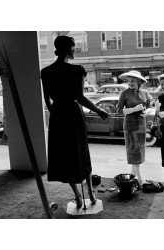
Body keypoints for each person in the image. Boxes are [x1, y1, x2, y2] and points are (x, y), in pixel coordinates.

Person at [40, 35, 110, 208]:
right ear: (68, 48)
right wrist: (99, 110)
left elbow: (47, 100)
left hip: (57, 115)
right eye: (73, 47)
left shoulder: (46, 71)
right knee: (81, 153)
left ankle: (78, 196)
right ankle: (91, 194)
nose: (75, 50)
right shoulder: (77, 70)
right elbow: (80, 97)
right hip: (72, 113)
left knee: (64, 155)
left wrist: (55, 113)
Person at [117, 70, 152, 184]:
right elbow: (119, 111)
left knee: (140, 149)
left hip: (141, 123)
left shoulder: (145, 92)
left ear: (139, 81)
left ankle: (133, 175)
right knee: (133, 149)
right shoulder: (125, 93)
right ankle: (140, 178)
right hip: (130, 125)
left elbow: (148, 106)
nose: (130, 83)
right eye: (128, 81)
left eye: (132, 81)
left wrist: (146, 112)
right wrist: (134, 109)